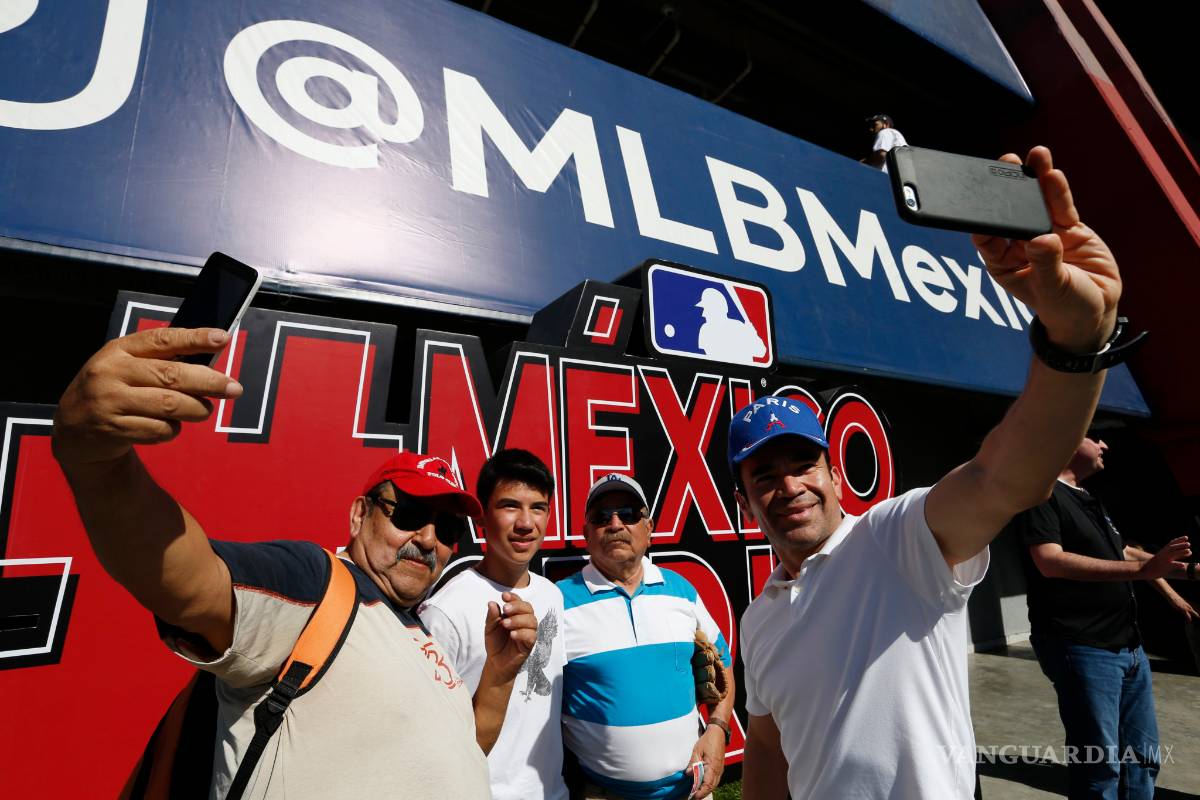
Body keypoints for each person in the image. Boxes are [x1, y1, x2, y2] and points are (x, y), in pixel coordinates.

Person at [736, 146, 1139, 799]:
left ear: (834, 473)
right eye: (764, 475)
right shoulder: (758, 620)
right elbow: (769, 743)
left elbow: (1004, 476)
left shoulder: (895, 541)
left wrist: (1074, 341)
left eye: (802, 463)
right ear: (744, 498)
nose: (788, 486)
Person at [50, 326, 539, 799]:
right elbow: (189, 582)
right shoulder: (316, 580)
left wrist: (498, 675)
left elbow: (463, 749)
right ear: (359, 513)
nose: (429, 538)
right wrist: (98, 463)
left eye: (449, 529)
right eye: (409, 514)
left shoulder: (420, 632)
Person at [1008, 436, 1194, 798]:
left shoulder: (1090, 500)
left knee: (1141, 758)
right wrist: (1144, 572)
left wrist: (1187, 574)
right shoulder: (1041, 495)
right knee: (1100, 765)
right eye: (1095, 435)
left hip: (1128, 647)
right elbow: (1049, 561)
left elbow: (1123, 552)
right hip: (1082, 645)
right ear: (1069, 437)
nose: (1105, 444)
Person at [558, 473, 735, 800]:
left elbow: (722, 665)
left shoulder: (682, 591)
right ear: (586, 534)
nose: (615, 524)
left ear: (649, 528)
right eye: (601, 517)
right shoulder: (557, 602)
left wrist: (718, 729)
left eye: (628, 514)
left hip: (691, 791)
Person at [418, 448, 569, 800]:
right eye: (510, 506)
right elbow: (426, 736)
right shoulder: (444, 612)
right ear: (482, 518)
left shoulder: (552, 595)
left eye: (538, 507)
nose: (526, 523)